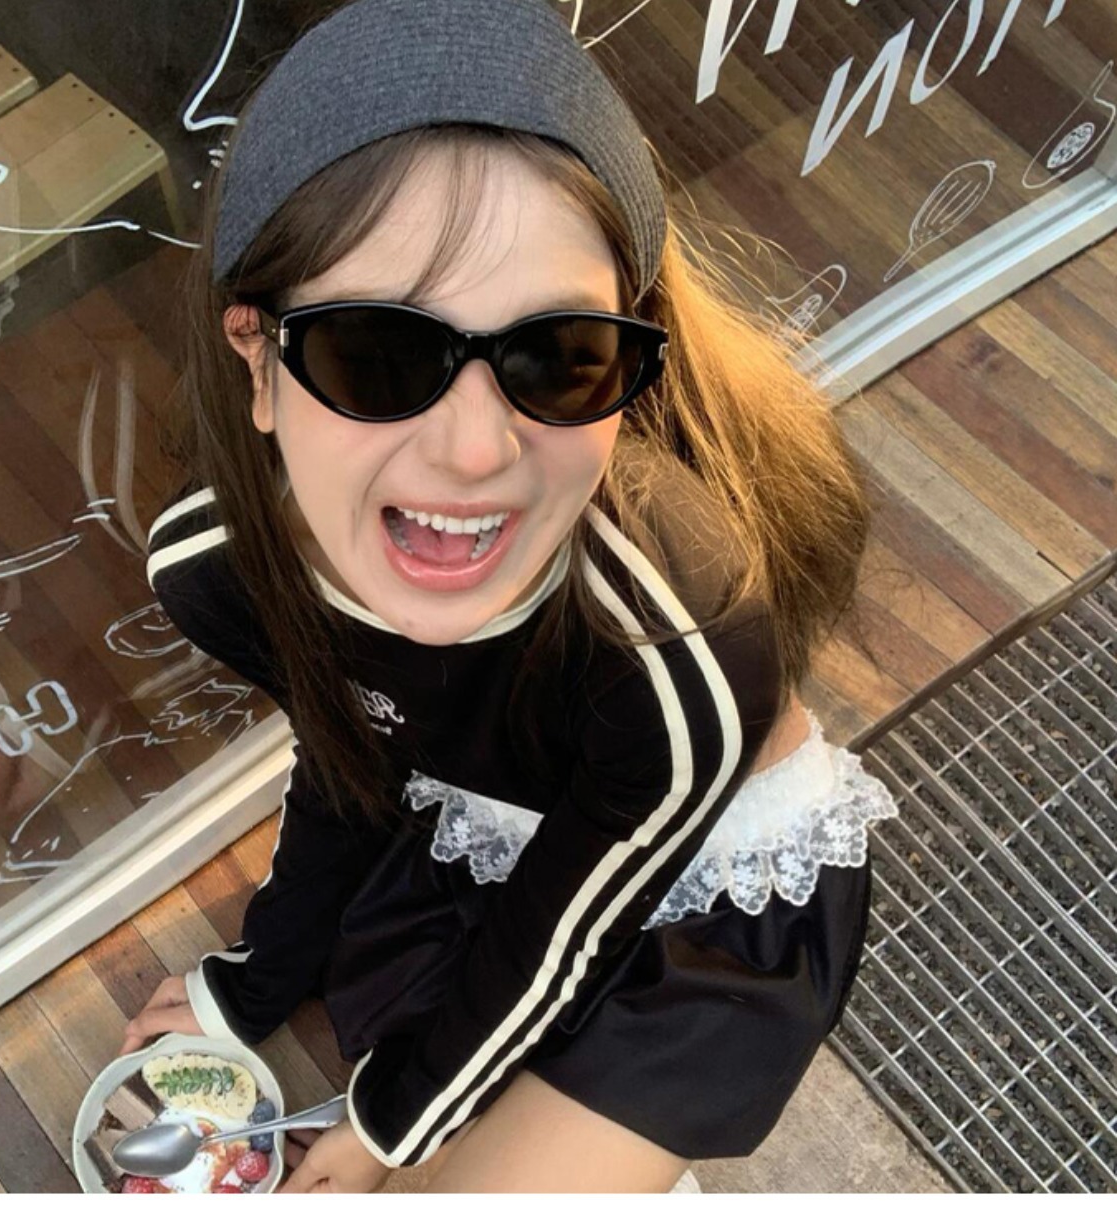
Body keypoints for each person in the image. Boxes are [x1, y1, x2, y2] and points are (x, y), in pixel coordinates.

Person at [120, 0, 898, 1193]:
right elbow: (355, 748)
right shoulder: (216, 570)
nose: (476, 452)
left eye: (558, 355)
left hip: (693, 898)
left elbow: (564, 931)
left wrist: (392, 1118)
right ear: (257, 359)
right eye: (376, 352)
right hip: (490, 832)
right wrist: (259, 974)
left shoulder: (678, 644)